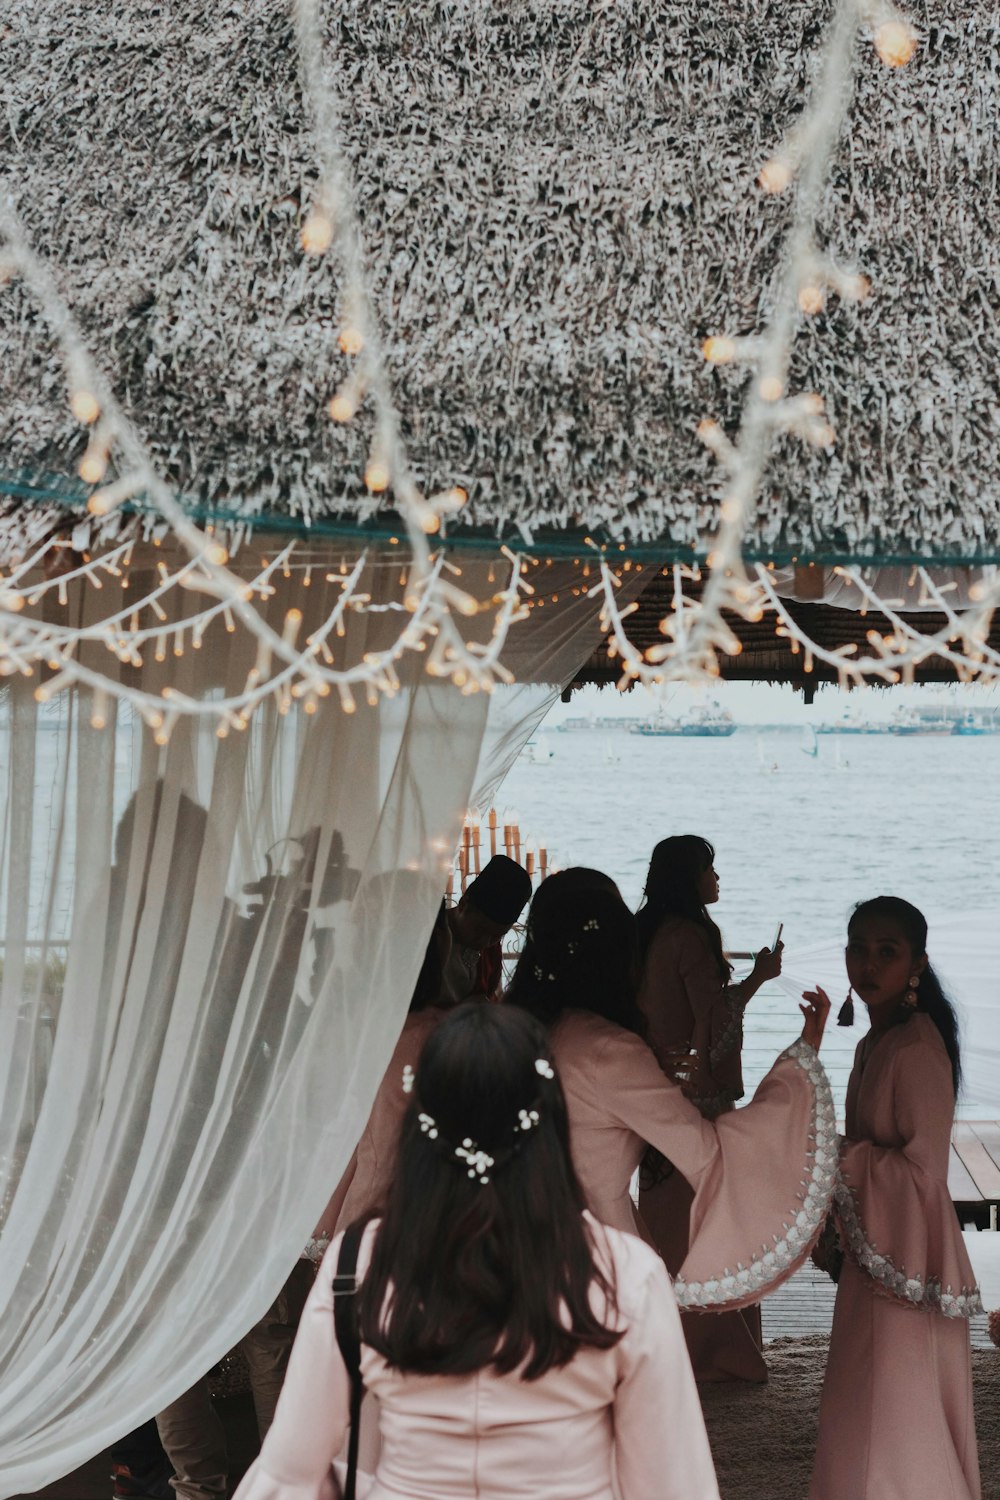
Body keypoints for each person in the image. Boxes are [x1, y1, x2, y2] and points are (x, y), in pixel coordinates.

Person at [233, 1003, 723, 1500]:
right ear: (551, 1125)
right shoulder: (626, 1273)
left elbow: (291, 1469)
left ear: (420, 1128)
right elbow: (670, 1483)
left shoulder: (359, 1260)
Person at [505, 869, 836, 1323]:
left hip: (507, 1253)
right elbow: (711, 1155)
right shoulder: (609, 1051)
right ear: (618, 950)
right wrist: (797, 1072)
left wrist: (652, 1077)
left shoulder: (507, 1030)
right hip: (599, 1264)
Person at [809, 897, 981, 1500]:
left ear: (917, 964)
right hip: (878, 1253)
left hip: (908, 1257)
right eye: (859, 948)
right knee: (865, 1396)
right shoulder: (873, 1044)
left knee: (897, 1402)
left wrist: (836, 1153)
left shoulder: (916, 1049)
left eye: (888, 952)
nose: (868, 964)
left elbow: (924, 1174)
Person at [635, 835, 782, 1382]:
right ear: (689, 877)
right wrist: (759, 980)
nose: (717, 878)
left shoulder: (643, 931)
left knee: (666, 1217)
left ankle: (666, 1337)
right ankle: (716, 1347)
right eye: (710, 869)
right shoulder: (692, 938)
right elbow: (714, 1020)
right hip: (697, 1097)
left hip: (653, 1089)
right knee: (713, 1222)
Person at [442, 855, 531, 1003]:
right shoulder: (430, 938)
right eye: (480, 929)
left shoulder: (491, 949)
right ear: (464, 904)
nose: (485, 942)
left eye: (498, 935)